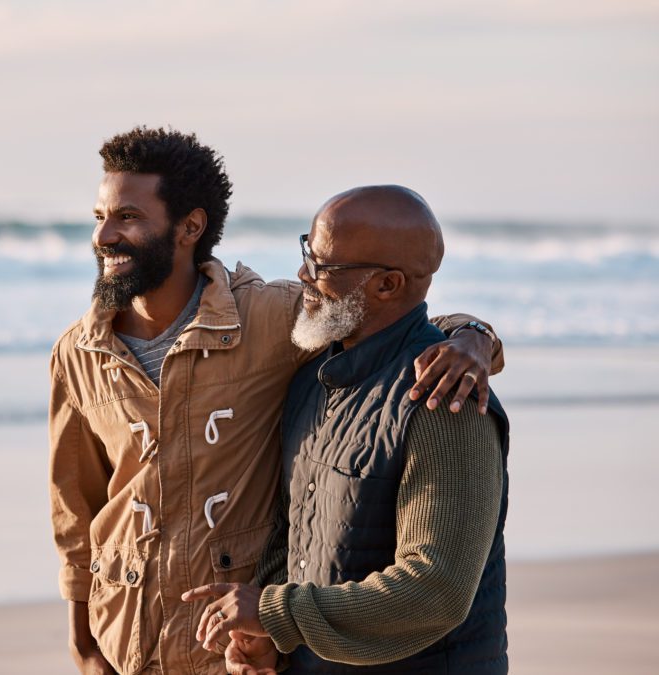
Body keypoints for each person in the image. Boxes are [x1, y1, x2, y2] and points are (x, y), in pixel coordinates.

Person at [49, 130, 503, 675]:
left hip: (227, 647)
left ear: (190, 227)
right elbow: (76, 512)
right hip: (133, 641)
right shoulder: (77, 353)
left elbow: (401, 323)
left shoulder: (274, 322)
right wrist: (84, 646)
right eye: (100, 215)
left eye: (127, 216)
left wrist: (473, 337)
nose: (104, 235)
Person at [182, 185, 510, 674]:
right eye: (305, 251)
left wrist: (275, 612)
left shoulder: (446, 402)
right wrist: (272, 639)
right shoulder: (312, 380)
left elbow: (435, 590)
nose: (302, 275)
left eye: (322, 266)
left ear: (387, 285)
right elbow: (292, 535)